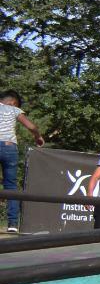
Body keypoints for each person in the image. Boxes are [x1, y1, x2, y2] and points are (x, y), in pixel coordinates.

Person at [1, 90, 45, 234]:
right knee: (11, 186)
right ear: (13, 102)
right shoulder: (14, 109)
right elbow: (31, 127)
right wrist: (38, 137)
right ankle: (13, 224)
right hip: (9, 147)